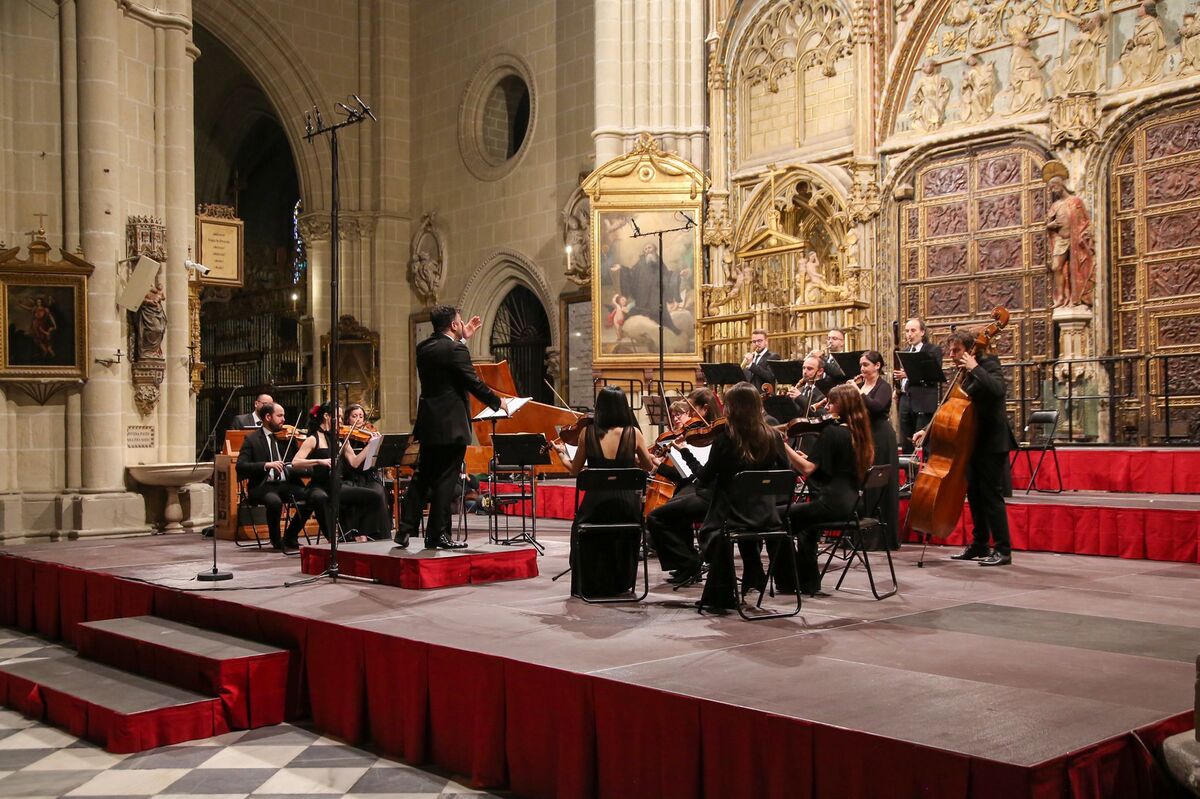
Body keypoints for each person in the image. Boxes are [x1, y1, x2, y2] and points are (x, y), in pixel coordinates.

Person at [398, 305, 509, 549]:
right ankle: (437, 536)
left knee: (422, 476)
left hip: (429, 423)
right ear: (454, 325)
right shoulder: (455, 349)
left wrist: (463, 340)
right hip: (452, 426)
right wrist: (498, 402)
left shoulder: (423, 348)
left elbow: (448, 367)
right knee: (446, 480)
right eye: (460, 321)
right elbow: (471, 381)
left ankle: (404, 529)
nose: (463, 323)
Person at [913, 329, 1017, 566]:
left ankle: (1003, 550)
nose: (951, 355)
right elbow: (953, 406)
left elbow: (998, 390)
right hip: (970, 442)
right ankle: (980, 544)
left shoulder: (988, 364)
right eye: (950, 350)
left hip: (991, 442)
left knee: (991, 497)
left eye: (956, 350)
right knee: (976, 496)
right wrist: (928, 429)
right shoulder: (963, 373)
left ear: (970, 350)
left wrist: (974, 367)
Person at [692, 383, 791, 613]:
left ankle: (722, 593)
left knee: (712, 532)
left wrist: (688, 457)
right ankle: (754, 572)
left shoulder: (726, 438)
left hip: (733, 518)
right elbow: (785, 474)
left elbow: (706, 478)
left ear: (732, 408)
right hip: (768, 516)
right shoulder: (772, 436)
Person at [553, 386, 656, 598]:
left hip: (596, 507)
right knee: (624, 529)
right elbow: (647, 467)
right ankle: (620, 582)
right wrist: (631, 459)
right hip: (627, 508)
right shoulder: (634, 434)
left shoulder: (586, 433)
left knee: (579, 529)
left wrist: (562, 454)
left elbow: (575, 470)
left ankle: (591, 583)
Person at [785, 384, 875, 595]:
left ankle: (789, 578)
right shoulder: (860, 432)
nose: (827, 406)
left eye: (831, 402)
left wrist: (785, 447)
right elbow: (839, 465)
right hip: (853, 504)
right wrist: (812, 458)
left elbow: (807, 470)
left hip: (832, 503)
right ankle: (806, 581)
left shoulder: (832, 432)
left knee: (781, 517)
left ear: (842, 406)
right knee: (807, 527)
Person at [646, 389, 724, 584]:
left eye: (690, 410)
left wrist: (685, 454)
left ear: (704, 410)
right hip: (712, 493)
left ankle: (689, 562)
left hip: (712, 497)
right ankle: (685, 565)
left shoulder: (715, 437)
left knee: (658, 516)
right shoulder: (706, 434)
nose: (688, 416)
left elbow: (702, 476)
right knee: (678, 500)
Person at [286, 402, 390, 544]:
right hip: (319, 486)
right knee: (319, 498)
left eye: (341, 417)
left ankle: (368, 535)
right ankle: (332, 541)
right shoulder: (313, 438)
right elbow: (295, 462)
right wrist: (319, 461)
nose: (341, 421)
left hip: (337, 486)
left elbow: (354, 462)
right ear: (326, 416)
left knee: (376, 496)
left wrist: (371, 445)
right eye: (338, 417)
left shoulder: (340, 439)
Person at [235, 402, 301, 551]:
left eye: (283, 415)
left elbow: (295, 461)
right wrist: (266, 465)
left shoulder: (286, 439)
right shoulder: (252, 440)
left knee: (314, 496)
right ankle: (276, 540)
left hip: (285, 484)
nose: (284, 419)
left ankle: (291, 535)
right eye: (279, 416)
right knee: (274, 501)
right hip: (262, 485)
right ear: (267, 417)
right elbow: (240, 466)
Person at [858, 350, 900, 549]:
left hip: (881, 437)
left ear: (877, 366)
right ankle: (864, 536)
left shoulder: (883, 386)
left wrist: (857, 393)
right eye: (861, 365)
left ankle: (881, 538)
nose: (862, 369)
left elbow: (876, 407)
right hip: (865, 437)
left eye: (866, 364)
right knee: (866, 484)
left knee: (879, 483)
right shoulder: (860, 384)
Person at [339, 403, 392, 541]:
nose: (358, 419)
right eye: (354, 416)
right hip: (352, 478)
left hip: (369, 477)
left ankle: (381, 536)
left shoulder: (368, 435)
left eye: (361, 416)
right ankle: (362, 533)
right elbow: (354, 464)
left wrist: (378, 444)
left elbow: (379, 461)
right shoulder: (344, 438)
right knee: (370, 495)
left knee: (380, 492)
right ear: (347, 419)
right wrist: (370, 445)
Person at [894, 317, 943, 453]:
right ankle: (910, 473)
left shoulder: (932, 350)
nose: (909, 334)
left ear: (922, 332)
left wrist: (908, 374)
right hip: (905, 400)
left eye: (913, 330)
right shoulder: (905, 351)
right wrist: (897, 389)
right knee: (906, 439)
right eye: (907, 331)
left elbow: (933, 373)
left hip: (923, 400)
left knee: (922, 441)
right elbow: (900, 375)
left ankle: (922, 471)